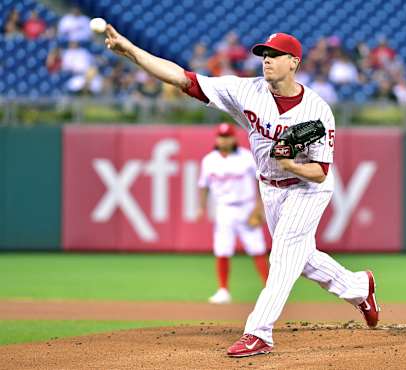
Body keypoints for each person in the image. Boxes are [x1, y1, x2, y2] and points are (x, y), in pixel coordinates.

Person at [104, 26, 380, 357]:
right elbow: (183, 79)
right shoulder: (245, 91)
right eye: (264, 55)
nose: (266, 61)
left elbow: (320, 173)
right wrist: (133, 51)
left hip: (306, 188)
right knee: (301, 260)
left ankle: (259, 332)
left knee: (282, 257)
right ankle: (358, 287)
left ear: (293, 62)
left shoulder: (318, 110)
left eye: (274, 56)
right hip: (270, 188)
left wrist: (290, 164)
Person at [197, 123, 269, 304]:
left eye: (228, 136)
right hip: (224, 208)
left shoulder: (246, 157)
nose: (224, 140)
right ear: (216, 138)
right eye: (221, 136)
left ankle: (270, 290)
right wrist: (201, 207)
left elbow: (260, 182)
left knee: (257, 249)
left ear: (234, 137)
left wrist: (259, 208)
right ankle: (223, 290)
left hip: (246, 207)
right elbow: (203, 186)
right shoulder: (209, 160)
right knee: (222, 248)